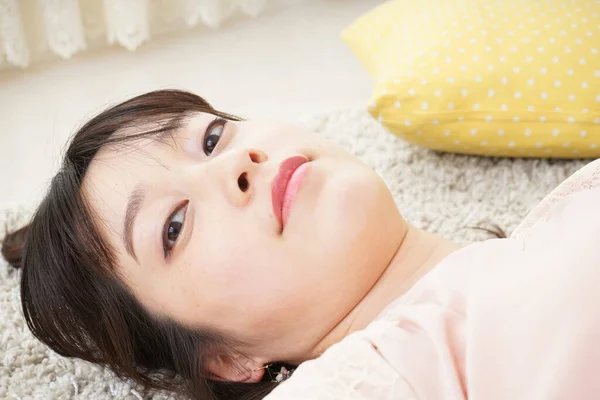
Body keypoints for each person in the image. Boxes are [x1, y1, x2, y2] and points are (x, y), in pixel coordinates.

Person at [3, 89, 600, 400]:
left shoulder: (556, 224)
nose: (235, 165)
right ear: (226, 361)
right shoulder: (366, 379)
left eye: (212, 138)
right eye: (174, 226)